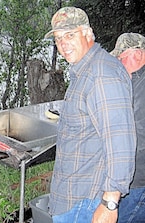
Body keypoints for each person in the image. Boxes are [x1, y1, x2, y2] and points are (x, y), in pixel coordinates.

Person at [44, 7, 136, 223]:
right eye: (58, 39)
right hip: (72, 195)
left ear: (87, 33)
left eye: (70, 35)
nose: (63, 44)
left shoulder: (102, 75)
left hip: (85, 201)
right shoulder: (84, 70)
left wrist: (109, 203)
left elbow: (120, 141)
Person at [111, 33, 145, 223]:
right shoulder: (134, 80)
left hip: (138, 180)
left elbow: (139, 139)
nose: (118, 62)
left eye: (121, 57)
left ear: (138, 55)